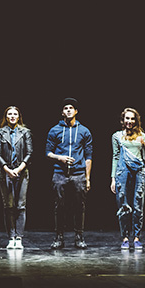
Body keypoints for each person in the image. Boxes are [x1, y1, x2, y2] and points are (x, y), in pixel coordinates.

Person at [45, 97, 93, 249]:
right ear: (62, 113)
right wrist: (60, 158)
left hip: (79, 174)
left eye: (71, 108)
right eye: (66, 108)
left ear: (76, 111)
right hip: (60, 174)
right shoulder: (55, 130)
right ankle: (59, 237)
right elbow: (47, 152)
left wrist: (88, 178)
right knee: (59, 206)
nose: (68, 110)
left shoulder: (84, 131)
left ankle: (79, 236)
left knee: (80, 206)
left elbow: (89, 156)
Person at [111, 108, 145, 250]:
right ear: (123, 120)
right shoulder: (117, 136)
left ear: (136, 120)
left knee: (138, 204)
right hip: (122, 172)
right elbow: (115, 157)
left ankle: (137, 237)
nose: (129, 121)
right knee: (123, 204)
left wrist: (144, 146)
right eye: (127, 118)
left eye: (132, 118)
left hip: (139, 171)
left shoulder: (142, 135)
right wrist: (113, 179)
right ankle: (125, 237)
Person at [0, 106, 33, 249]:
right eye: (9, 114)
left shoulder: (25, 132)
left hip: (21, 172)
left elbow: (29, 152)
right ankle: (11, 237)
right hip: (5, 172)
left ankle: (19, 237)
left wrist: (19, 168)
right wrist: (7, 169)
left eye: (15, 114)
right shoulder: (0, 132)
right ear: (6, 116)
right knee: (9, 206)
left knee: (20, 206)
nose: (12, 116)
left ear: (19, 116)